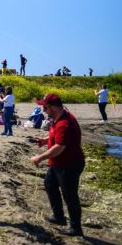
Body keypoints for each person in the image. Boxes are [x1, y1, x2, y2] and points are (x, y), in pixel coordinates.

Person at [30, 93, 85, 236]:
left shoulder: (64, 123)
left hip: (70, 164)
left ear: (54, 107)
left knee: (70, 196)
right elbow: (57, 137)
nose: (44, 111)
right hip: (58, 163)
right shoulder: (58, 117)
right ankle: (59, 216)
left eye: (45, 107)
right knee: (49, 184)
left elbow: (60, 146)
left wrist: (39, 158)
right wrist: (45, 140)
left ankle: (76, 228)